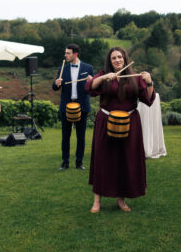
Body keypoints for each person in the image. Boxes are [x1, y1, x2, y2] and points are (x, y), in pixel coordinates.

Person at [86, 47, 155, 213]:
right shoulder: (104, 75)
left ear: (125, 58)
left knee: (126, 160)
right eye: (113, 58)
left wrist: (150, 81)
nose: (117, 60)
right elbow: (89, 87)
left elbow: (149, 99)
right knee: (102, 159)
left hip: (130, 123)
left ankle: (121, 200)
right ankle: (97, 200)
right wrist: (104, 77)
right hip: (106, 121)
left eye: (119, 57)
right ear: (110, 61)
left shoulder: (135, 78)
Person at [52, 43, 94, 170]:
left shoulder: (88, 68)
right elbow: (55, 88)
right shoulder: (62, 68)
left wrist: (91, 81)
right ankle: (65, 162)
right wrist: (56, 83)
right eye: (65, 53)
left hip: (82, 106)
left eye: (68, 53)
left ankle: (79, 162)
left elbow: (93, 89)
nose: (65, 55)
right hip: (66, 106)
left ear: (75, 54)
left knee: (81, 136)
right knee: (66, 136)